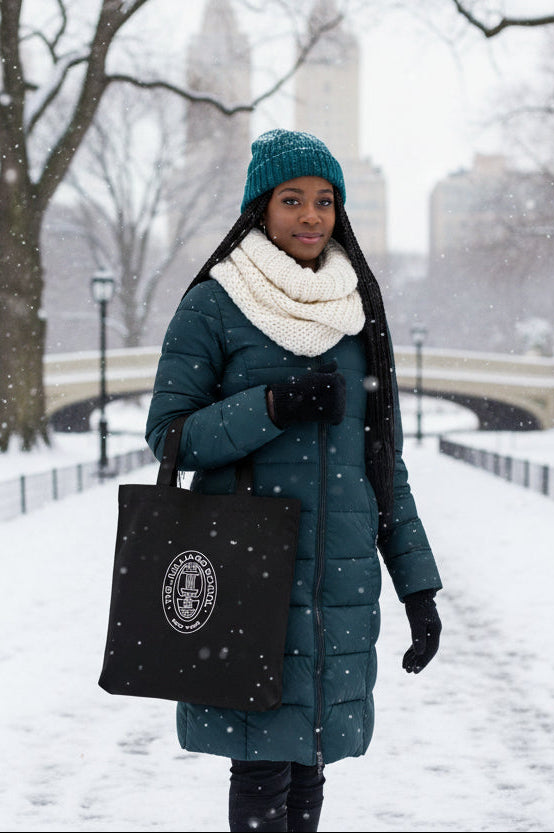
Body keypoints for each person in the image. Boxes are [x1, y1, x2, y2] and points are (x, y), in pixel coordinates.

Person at [145, 129, 443, 832]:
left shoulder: (357, 312)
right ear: (260, 208)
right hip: (247, 573)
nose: (311, 216)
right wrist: (273, 406)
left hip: (338, 584)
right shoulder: (215, 304)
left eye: (324, 201)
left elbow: (384, 466)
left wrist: (419, 589)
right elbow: (171, 436)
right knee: (260, 766)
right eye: (291, 200)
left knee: (309, 764)